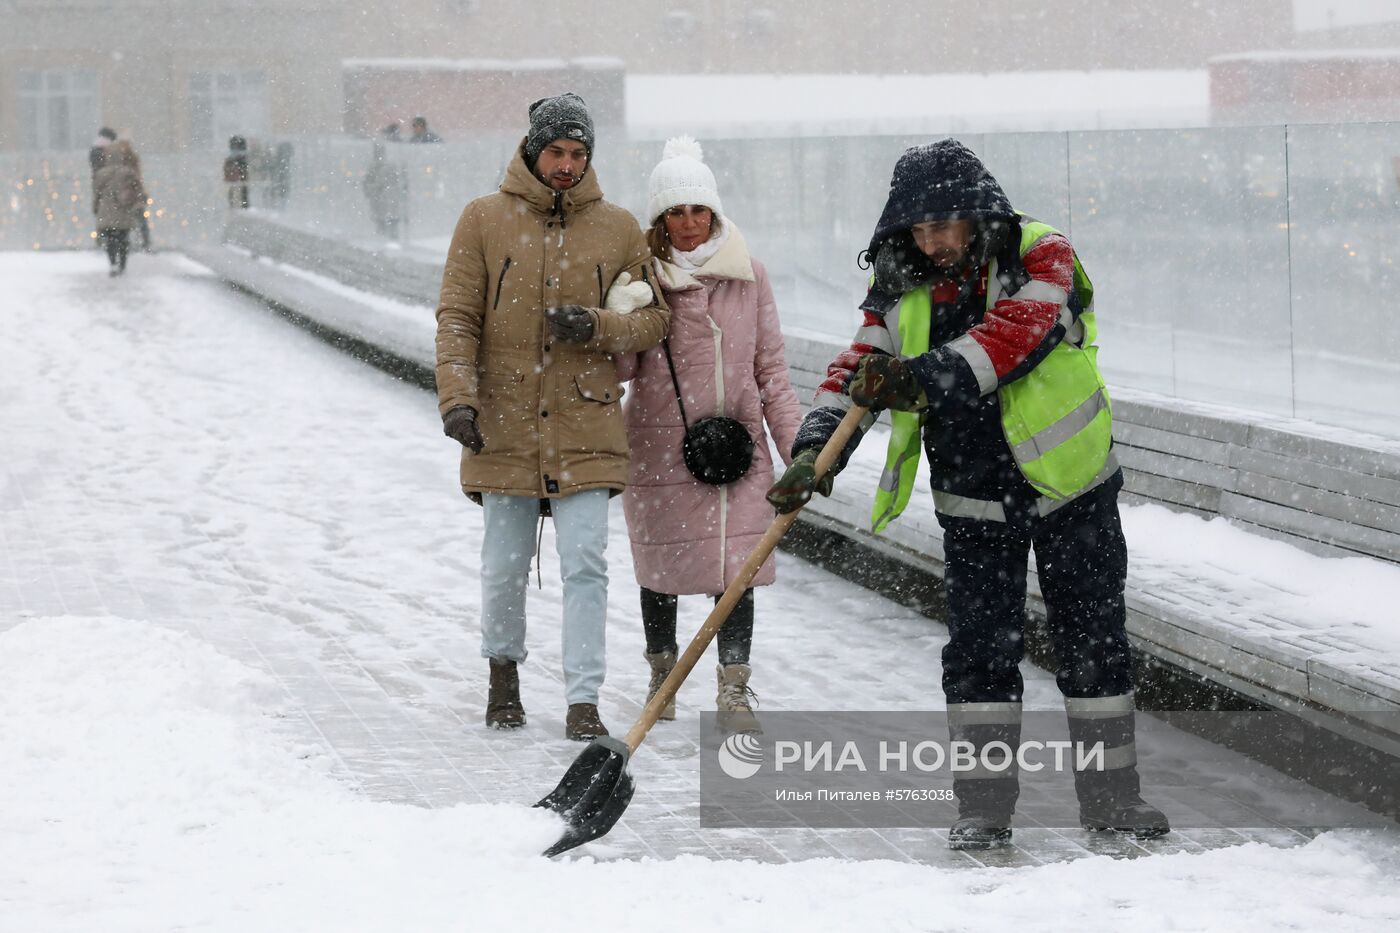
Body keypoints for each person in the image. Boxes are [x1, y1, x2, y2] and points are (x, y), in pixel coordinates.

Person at [766, 138, 1169, 850]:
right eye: (919, 231)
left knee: (1094, 645)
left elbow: (1010, 340)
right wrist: (813, 447)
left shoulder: (1043, 254)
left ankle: (1113, 797)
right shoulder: (903, 282)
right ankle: (983, 805)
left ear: (978, 213)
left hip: (1072, 488)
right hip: (975, 496)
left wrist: (916, 379)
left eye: (945, 226)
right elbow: (859, 365)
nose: (934, 243)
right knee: (981, 654)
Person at [435, 92, 669, 741]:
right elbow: (456, 317)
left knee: (586, 560)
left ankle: (583, 699)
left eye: (578, 152)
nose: (567, 164)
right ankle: (503, 675)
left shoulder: (618, 228)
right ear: (534, 150)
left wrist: (597, 325)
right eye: (556, 151)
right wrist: (457, 398)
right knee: (504, 562)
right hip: (502, 420)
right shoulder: (482, 220)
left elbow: (655, 319)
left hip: (587, 421)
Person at [612, 137, 801, 734]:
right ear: (659, 220)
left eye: (698, 211)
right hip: (659, 445)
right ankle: (662, 680)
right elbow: (617, 371)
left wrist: (801, 450)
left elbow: (771, 369)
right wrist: (621, 313)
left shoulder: (751, 277)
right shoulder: (640, 279)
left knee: (735, 569)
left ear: (715, 214)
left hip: (735, 446)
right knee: (659, 569)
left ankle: (734, 689)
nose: (689, 224)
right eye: (675, 213)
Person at [91, 142, 145, 277]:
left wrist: (95, 208)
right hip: (123, 211)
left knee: (110, 240)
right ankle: (122, 265)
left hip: (106, 212)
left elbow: (96, 193)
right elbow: (137, 189)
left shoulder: (101, 174)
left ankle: (113, 263)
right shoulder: (128, 172)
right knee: (123, 239)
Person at [362, 141, 406, 239]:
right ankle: (387, 237)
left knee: (386, 219)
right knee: (385, 219)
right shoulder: (380, 165)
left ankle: (387, 238)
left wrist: (370, 189)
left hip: (384, 198)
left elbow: (373, 181)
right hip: (383, 198)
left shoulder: (385, 165)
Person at [223, 136, 250, 209]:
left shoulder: (232, 157)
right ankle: (244, 204)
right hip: (239, 170)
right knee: (242, 187)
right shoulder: (241, 156)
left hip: (236, 171)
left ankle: (236, 203)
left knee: (236, 188)